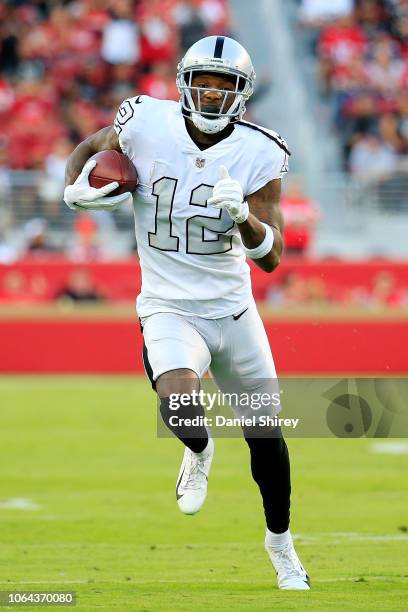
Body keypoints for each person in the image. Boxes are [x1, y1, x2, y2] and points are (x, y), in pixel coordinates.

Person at [63, 35, 310, 591]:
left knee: (267, 441)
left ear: (242, 94)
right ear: (184, 82)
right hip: (169, 305)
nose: (212, 93)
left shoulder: (260, 151)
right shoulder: (146, 120)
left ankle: (282, 547)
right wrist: (73, 188)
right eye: (204, 81)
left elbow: (271, 256)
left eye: (225, 85)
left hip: (234, 310)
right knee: (181, 409)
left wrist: (244, 216)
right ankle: (198, 451)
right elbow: (89, 148)